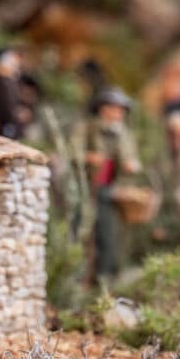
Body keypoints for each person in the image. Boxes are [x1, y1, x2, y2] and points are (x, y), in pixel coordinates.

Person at [73, 87, 141, 285]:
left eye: (121, 110)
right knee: (80, 230)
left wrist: (131, 165)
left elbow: (130, 158)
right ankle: (77, 276)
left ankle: (103, 277)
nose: (118, 114)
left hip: (108, 189)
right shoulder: (88, 128)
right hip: (85, 187)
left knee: (106, 234)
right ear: (103, 109)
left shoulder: (123, 134)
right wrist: (88, 157)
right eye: (114, 108)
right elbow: (72, 151)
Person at [0, 48, 31, 140]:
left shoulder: (11, 82)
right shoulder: (0, 82)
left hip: (10, 122)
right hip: (3, 123)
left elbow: (12, 101)